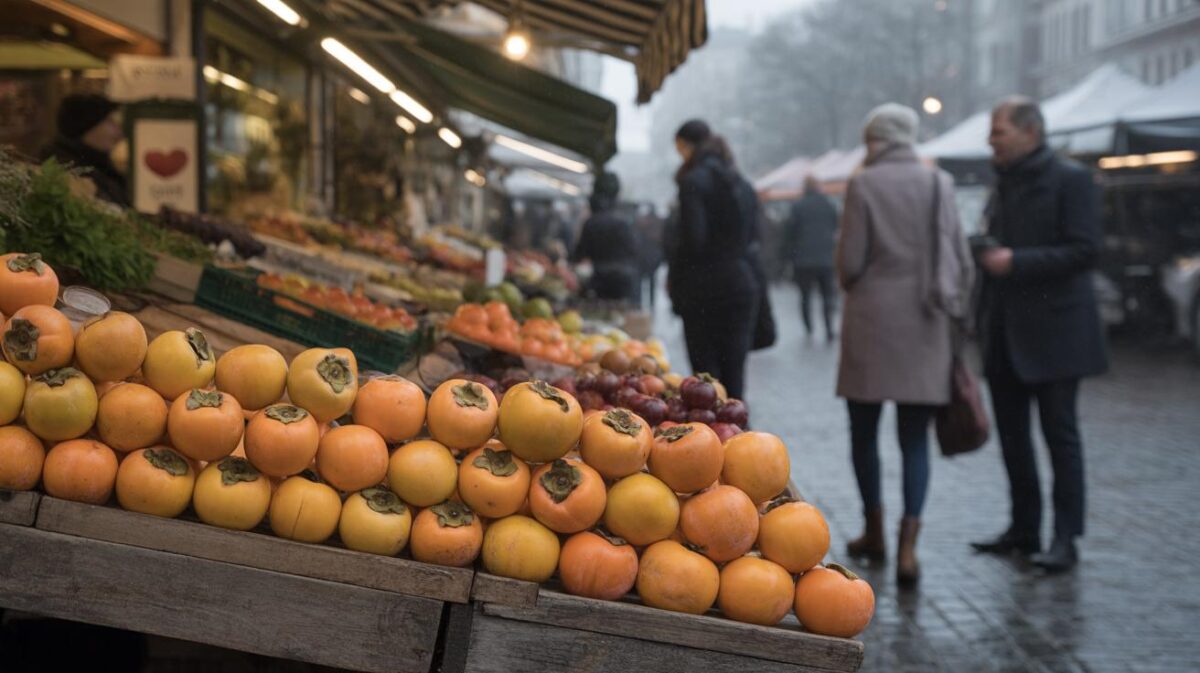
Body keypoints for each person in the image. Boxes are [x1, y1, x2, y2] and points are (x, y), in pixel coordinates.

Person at [836, 103, 973, 585]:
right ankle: (908, 548)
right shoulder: (940, 184)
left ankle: (873, 532)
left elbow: (850, 263)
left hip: (872, 322)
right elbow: (960, 256)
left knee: (864, 434)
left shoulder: (864, 183)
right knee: (915, 439)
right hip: (925, 322)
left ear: (875, 139)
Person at [970, 97, 1107, 573]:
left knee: (1060, 438)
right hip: (1005, 333)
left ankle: (1065, 538)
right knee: (1013, 439)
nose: (991, 140)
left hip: (1057, 335)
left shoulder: (1072, 180)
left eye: (999, 131)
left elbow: (1086, 250)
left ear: (1030, 132)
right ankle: (1023, 529)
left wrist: (1016, 261)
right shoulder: (1001, 183)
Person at [668, 120, 759, 400]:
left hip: (704, 291)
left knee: (706, 383)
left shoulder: (693, 182)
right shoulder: (742, 183)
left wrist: (676, 278)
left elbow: (693, 241)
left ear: (687, 145)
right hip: (741, 285)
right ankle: (739, 436)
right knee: (735, 379)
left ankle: (716, 440)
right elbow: (755, 239)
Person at [40, 94, 129, 206]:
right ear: (87, 126)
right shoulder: (70, 172)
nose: (119, 131)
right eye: (109, 122)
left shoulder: (97, 165)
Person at [784, 175, 840, 341]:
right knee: (827, 295)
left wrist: (789, 257)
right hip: (826, 258)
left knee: (805, 296)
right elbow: (835, 226)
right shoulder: (829, 205)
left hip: (803, 260)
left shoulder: (797, 206)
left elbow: (789, 234)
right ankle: (829, 327)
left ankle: (809, 328)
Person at [572, 172, 640, 303]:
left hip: (598, 284)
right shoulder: (624, 222)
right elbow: (634, 252)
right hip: (623, 284)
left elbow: (579, 255)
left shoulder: (591, 222)